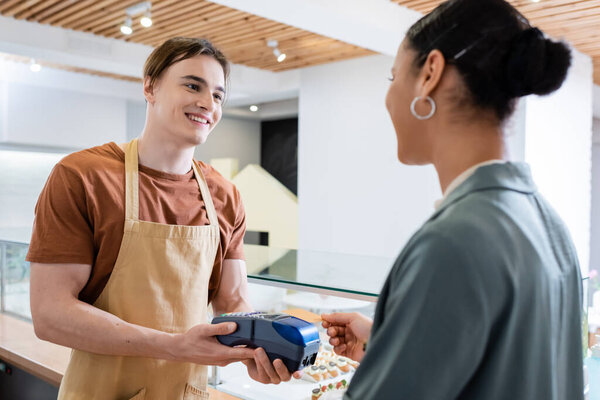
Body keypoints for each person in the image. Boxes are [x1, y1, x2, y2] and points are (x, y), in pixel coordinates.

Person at [321, 0, 584, 399]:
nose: (389, 98)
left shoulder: (453, 241)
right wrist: (390, 347)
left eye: (393, 77)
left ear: (430, 74)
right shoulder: (550, 224)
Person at [27, 37, 293, 399]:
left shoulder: (225, 196)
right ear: (150, 86)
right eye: (192, 85)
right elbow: (50, 313)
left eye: (218, 95)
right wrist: (173, 345)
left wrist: (254, 349)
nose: (207, 103)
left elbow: (232, 302)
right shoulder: (83, 176)